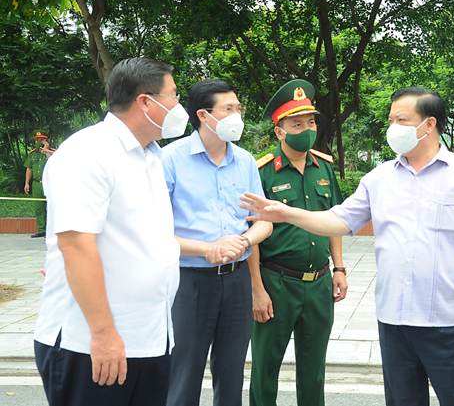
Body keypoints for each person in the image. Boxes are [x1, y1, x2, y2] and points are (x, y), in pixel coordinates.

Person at [241, 87, 454, 406]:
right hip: (394, 321)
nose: (392, 127)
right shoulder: (379, 179)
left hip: (448, 321)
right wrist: (287, 213)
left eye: (402, 119)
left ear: (428, 125)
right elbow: (338, 220)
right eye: (391, 119)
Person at [33, 58, 188, 406]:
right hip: (91, 342)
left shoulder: (152, 157)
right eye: (173, 95)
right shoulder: (88, 152)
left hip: (149, 339)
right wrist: (103, 334)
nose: (179, 106)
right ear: (145, 101)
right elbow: (75, 245)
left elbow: (146, 240)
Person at [160, 79, 272, 406]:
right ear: (204, 115)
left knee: (232, 371)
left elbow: (263, 222)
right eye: (228, 109)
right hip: (190, 281)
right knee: (184, 372)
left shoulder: (246, 161)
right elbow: (154, 231)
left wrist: (243, 241)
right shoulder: (170, 160)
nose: (237, 115)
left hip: (236, 280)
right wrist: (206, 249)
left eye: (238, 108)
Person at [249, 79, 347, 406]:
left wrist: (340, 269)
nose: (307, 129)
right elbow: (251, 235)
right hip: (276, 282)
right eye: (297, 123)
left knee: (313, 370)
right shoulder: (263, 172)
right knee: (265, 370)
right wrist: (257, 289)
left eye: (311, 121)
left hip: (318, 283)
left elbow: (334, 221)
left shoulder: (325, 167)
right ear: (280, 131)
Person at [24, 131, 55, 238]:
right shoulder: (32, 154)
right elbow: (29, 168)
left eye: (40, 140)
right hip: (37, 184)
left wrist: (47, 151)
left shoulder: (53, 152)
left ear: (46, 140)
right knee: (39, 208)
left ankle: (51, 230)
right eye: (36, 140)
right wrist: (27, 183)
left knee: (51, 207)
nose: (38, 142)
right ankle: (41, 230)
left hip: (49, 183)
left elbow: (53, 165)